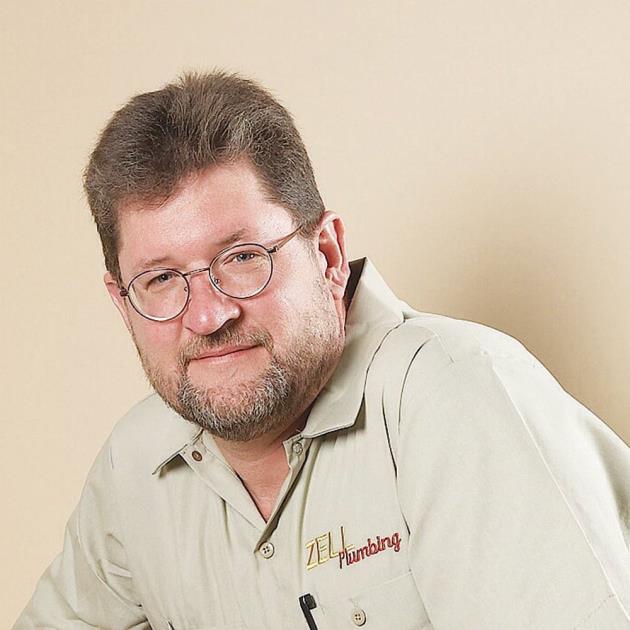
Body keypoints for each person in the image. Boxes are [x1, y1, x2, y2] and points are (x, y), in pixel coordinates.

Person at [14, 71, 630, 630]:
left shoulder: (458, 394)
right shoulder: (134, 465)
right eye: (161, 279)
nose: (207, 316)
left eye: (243, 258)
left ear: (328, 255)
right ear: (122, 301)